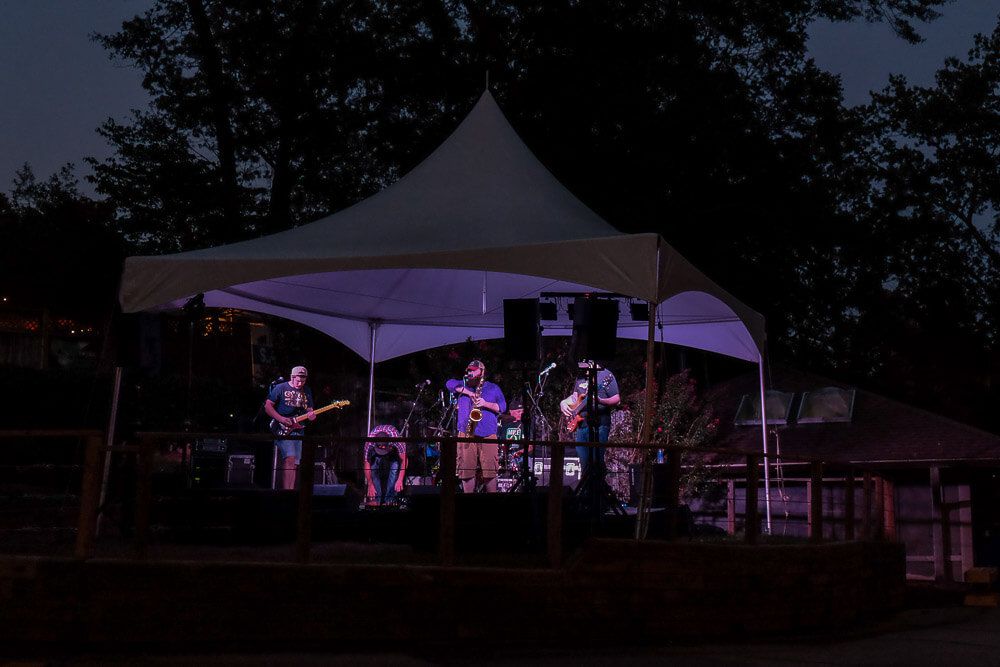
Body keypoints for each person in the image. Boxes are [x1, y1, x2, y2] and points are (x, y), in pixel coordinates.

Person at [445, 360, 506, 493]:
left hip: (488, 433)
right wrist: (470, 393)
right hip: (466, 433)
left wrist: (485, 403)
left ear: (482, 372)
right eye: (468, 369)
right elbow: (449, 383)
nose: (469, 372)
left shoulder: (493, 388)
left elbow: (502, 407)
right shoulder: (462, 385)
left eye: (473, 370)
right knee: (466, 472)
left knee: (490, 472)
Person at [559, 363, 620, 474]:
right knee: (584, 461)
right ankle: (586, 488)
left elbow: (616, 399)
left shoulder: (606, 375)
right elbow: (575, 398)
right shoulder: (581, 376)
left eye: (585, 366)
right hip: (581, 424)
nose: (583, 369)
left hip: (600, 424)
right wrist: (563, 402)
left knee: (596, 460)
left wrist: (600, 400)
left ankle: (600, 487)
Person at [264, 365, 316, 490]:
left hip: (298, 430)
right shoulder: (280, 388)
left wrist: (311, 416)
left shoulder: (307, 390)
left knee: (295, 464)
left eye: (303, 381)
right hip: (282, 428)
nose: (300, 383)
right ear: (292, 377)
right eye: (298, 380)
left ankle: (291, 491)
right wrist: (281, 419)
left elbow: (310, 411)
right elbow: (268, 407)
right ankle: (286, 493)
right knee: (290, 458)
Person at [364, 424, 407, 506]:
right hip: (375, 450)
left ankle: (389, 500)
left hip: (393, 451)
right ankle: (377, 499)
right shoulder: (369, 443)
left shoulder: (397, 440)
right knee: (373, 468)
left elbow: (404, 460)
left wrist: (400, 479)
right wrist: (370, 484)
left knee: (394, 469)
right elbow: (366, 464)